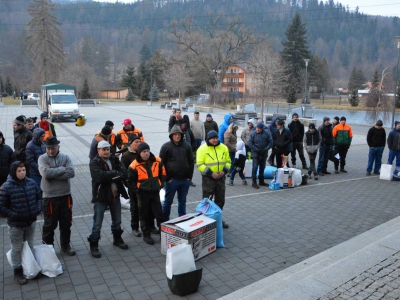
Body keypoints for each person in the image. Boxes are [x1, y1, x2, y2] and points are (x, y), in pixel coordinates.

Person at [0, 161, 42, 285]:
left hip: (30, 222)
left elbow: (38, 197)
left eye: (23, 170)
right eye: (19, 171)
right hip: (16, 225)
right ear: (14, 172)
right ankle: (17, 271)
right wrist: (13, 214)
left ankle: (31, 266)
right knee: (17, 248)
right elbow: (1, 206)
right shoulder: (6, 187)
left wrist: (37, 209)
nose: (22, 173)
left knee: (30, 245)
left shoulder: (31, 183)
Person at [87, 140, 129, 258]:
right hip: (101, 197)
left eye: (108, 149)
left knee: (117, 221)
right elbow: (100, 177)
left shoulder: (114, 159)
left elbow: (124, 173)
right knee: (97, 224)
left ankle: (117, 239)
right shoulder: (94, 162)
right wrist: (115, 174)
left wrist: (110, 176)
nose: (106, 152)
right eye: (103, 149)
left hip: (115, 196)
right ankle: (94, 244)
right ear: (98, 150)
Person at [38, 137, 76, 256]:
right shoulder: (42, 158)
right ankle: (48, 249)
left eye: (52, 148)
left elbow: (71, 173)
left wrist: (52, 172)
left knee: (66, 224)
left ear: (58, 147)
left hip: (65, 196)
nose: (50, 151)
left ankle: (65, 246)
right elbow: (44, 173)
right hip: (49, 197)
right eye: (48, 149)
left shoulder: (65, 157)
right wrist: (62, 169)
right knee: (49, 225)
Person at [127, 143, 166, 245]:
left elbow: (163, 173)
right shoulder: (134, 165)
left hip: (155, 192)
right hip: (142, 193)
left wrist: (161, 184)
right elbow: (129, 180)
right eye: (144, 152)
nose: (146, 153)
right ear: (140, 153)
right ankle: (146, 235)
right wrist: (137, 191)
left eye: (147, 151)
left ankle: (163, 235)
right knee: (143, 214)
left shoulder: (157, 160)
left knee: (159, 214)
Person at [196, 130, 231, 228]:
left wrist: (224, 171)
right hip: (208, 179)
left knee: (220, 200)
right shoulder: (202, 149)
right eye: (212, 138)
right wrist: (211, 173)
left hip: (221, 178)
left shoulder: (224, 147)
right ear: (208, 139)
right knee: (208, 201)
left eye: (216, 138)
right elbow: (199, 164)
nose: (215, 140)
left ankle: (218, 220)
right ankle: (206, 222)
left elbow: (228, 162)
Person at [159, 125, 194, 221]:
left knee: (182, 202)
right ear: (171, 136)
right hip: (171, 180)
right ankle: (165, 221)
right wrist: (167, 179)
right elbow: (161, 164)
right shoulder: (166, 147)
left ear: (181, 135)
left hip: (184, 180)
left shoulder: (187, 146)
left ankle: (182, 220)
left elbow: (191, 162)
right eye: (175, 135)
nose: (177, 136)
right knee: (168, 202)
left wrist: (189, 178)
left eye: (178, 134)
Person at [249, 122, 273, 189]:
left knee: (262, 167)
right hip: (256, 154)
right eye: (257, 128)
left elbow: (271, 142)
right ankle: (254, 182)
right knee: (255, 167)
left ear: (262, 128)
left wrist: (265, 149)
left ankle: (261, 181)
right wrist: (256, 149)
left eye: (259, 128)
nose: (257, 129)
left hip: (264, 153)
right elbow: (250, 143)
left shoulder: (267, 133)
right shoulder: (253, 133)